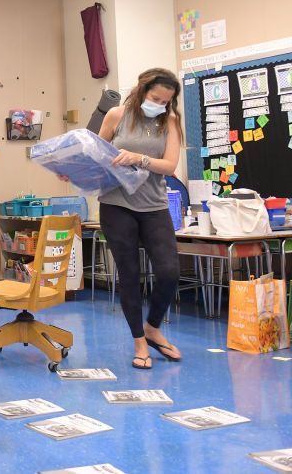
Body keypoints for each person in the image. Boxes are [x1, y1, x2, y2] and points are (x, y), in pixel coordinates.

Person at [95, 67, 184, 369]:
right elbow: (95, 155)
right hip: (116, 204)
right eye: (155, 98)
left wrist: (140, 158)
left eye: (165, 102)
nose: (159, 105)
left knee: (170, 271)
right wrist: (75, 168)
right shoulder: (116, 116)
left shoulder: (169, 122)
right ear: (142, 90)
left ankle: (153, 328)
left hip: (154, 205)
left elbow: (169, 165)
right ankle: (139, 342)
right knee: (130, 274)